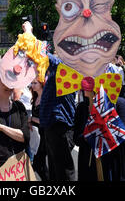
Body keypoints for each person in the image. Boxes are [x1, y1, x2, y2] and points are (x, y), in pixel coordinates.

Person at [39, 52, 76, 181]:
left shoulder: (67, 68)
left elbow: (45, 56)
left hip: (59, 126)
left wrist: (29, 33)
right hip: (52, 125)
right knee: (55, 169)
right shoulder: (58, 72)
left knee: (63, 171)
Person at [29, 78, 48, 181]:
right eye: (32, 83)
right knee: (38, 163)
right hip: (37, 134)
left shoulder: (45, 98)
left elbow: (44, 120)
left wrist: (32, 119)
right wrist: (30, 122)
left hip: (44, 135)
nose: (33, 85)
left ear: (41, 84)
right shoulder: (35, 97)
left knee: (38, 163)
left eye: (35, 83)